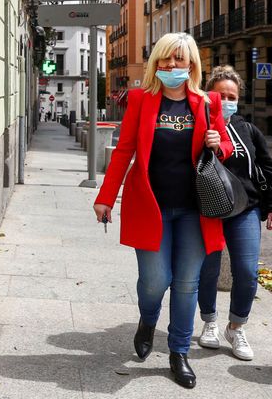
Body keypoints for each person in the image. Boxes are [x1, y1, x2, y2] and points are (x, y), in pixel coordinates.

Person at [92, 32, 234, 389]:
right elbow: (124, 150)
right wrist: (106, 196)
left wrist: (218, 143)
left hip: (195, 210)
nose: (172, 65)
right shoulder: (141, 100)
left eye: (180, 59)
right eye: (166, 59)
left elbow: (226, 148)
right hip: (150, 205)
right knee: (155, 281)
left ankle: (178, 352)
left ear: (191, 65)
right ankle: (147, 319)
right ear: (157, 62)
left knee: (186, 284)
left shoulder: (207, 101)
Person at [196, 66, 272, 360]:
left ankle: (236, 326)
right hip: (208, 208)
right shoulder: (197, 124)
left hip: (245, 208)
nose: (226, 99)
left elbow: (267, 167)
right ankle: (209, 321)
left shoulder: (248, 130)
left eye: (231, 95)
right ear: (210, 94)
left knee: (247, 272)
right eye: (220, 94)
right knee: (208, 270)